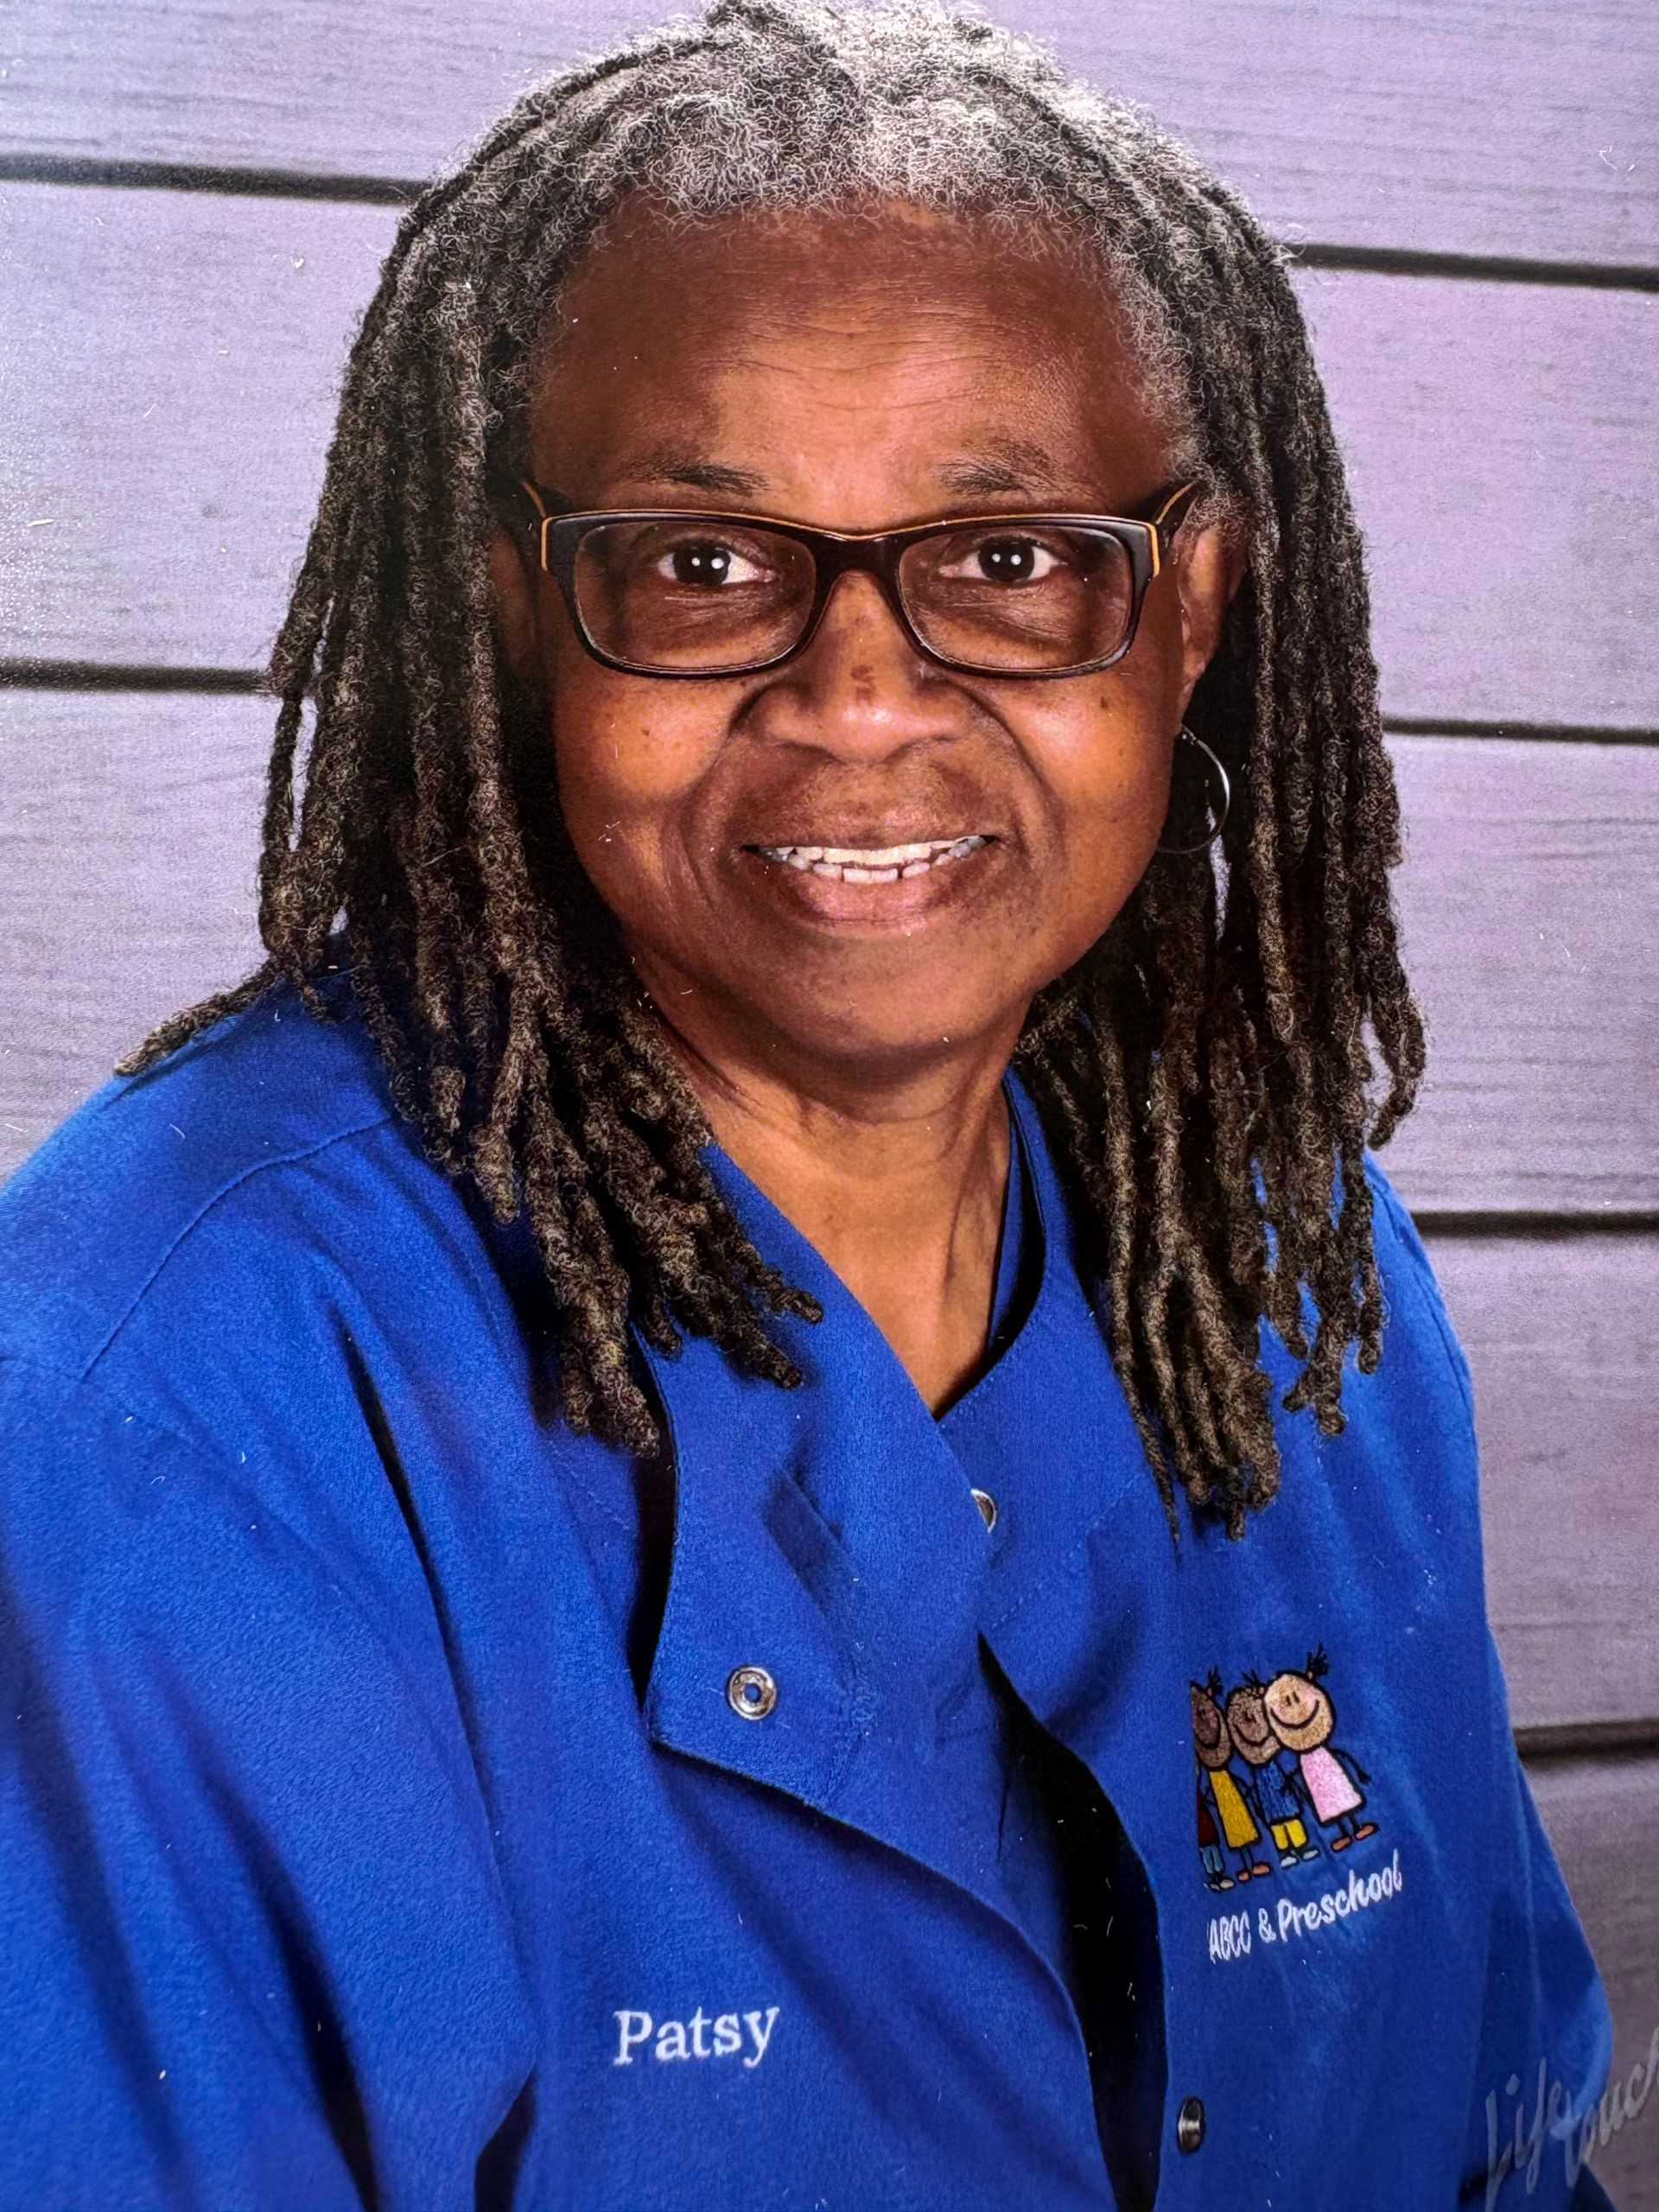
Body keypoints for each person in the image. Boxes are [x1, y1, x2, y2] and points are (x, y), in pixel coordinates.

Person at [0, 3, 1618, 2206]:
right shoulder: (174, 1387)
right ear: (520, 608)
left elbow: (1495, 2135)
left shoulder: (1290, 1266)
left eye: (1014, 556)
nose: (862, 695)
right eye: (699, 562)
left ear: (1195, 602)